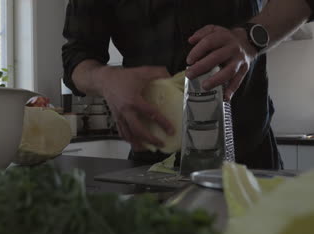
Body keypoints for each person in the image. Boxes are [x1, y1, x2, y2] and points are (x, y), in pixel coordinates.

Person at [62, 0, 314, 170]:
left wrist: (250, 37)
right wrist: (105, 80)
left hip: (249, 153)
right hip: (150, 162)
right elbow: (76, 57)